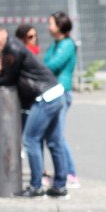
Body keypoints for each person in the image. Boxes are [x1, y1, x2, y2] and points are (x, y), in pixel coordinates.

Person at [0, 22, 69, 198]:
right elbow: (12, 75)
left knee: (30, 139)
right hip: (55, 92)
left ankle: (36, 186)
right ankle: (60, 186)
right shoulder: (13, 47)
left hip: (45, 96)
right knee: (54, 141)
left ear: (4, 33)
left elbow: (9, 79)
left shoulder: (12, 48)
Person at [43, 12, 79, 188]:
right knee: (54, 135)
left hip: (61, 92)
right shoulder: (56, 43)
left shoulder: (67, 44)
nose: (48, 27)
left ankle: (69, 173)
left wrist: (39, 69)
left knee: (57, 136)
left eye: (51, 24)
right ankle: (64, 172)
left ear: (60, 26)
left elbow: (52, 64)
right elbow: (46, 62)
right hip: (54, 91)